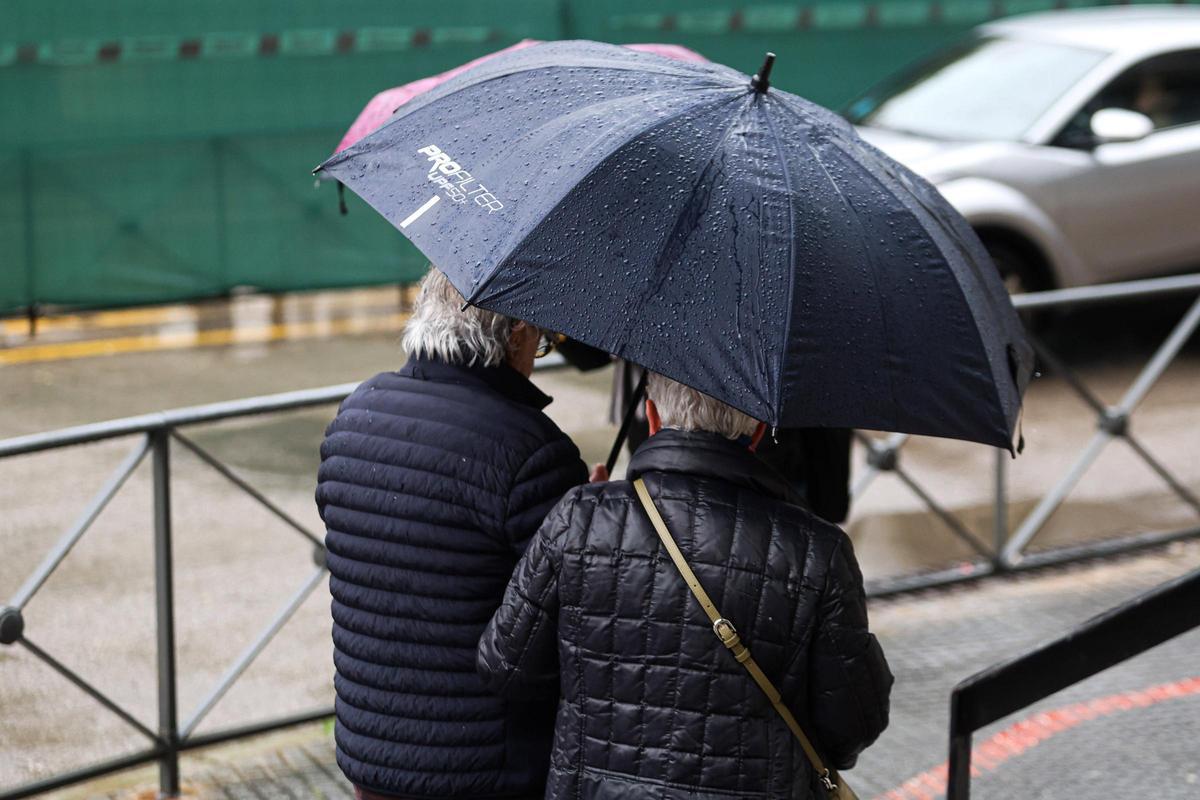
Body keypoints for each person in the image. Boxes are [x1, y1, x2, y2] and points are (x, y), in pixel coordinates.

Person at [478, 372, 892, 798]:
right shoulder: (816, 551)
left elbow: (505, 665)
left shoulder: (580, 517)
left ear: (651, 415)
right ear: (758, 431)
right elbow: (855, 724)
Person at [316, 267, 594, 800]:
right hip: (485, 767)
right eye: (540, 340)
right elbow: (567, 616)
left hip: (371, 756)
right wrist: (590, 519)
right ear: (516, 334)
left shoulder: (355, 414)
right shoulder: (532, 449)